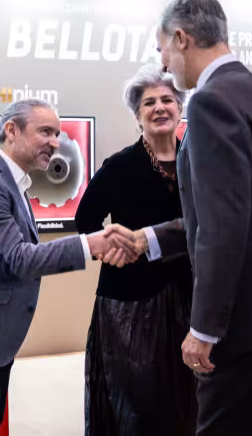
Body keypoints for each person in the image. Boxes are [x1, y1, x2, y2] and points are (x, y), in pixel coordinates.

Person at [106, 0, 252, 436]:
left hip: (242, 324)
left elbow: (223, 226)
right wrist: (149, 238)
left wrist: (205, 329)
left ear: (182, 39)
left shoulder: (209, 102)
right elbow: (244, 212)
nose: (164, 63)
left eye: (162, 49)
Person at [0, 99, 132, 436]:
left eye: (57, 134)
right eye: (45, 132)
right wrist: (89, 244)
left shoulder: (8, 181)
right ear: (12, 131)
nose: (55, 142)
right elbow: (18, 259)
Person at [75, 65, 197, 436]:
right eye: (149, 102)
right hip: (130, 307)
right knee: (137, 406)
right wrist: (109, 250)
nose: (159, 108)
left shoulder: (197, 162)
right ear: (137, 115)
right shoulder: (120, 166)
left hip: (189, 299)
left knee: (187, 401)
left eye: (167, 100)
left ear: (180, 108)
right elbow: (85, 219)